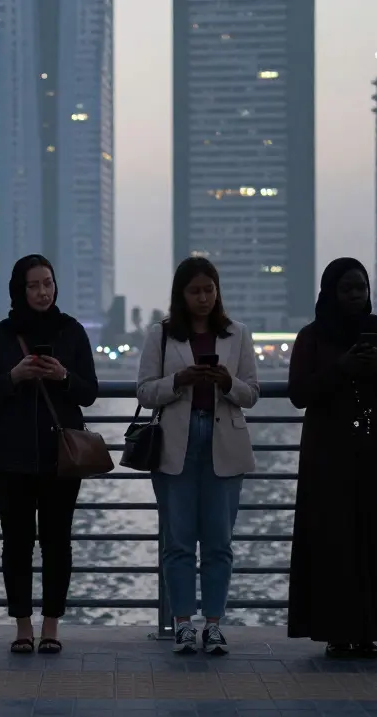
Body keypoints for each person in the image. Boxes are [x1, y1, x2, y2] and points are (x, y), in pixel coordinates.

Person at [286, 257, 377, 659]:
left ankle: (370, 630)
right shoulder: (312, 337)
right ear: (330, 293)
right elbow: (298, 394)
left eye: (360, 288)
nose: (356, 295)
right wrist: (341, 367)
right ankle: (334, 631)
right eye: (347, 289)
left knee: (375, 538)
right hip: (327, 454)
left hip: (376, 454)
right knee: (331, 540)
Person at [0, 254, 100, 654]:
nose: (43, 292)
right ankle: (22, 626)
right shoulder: (0, 335)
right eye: (34, 285)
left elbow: (90, 392)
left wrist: (63, 376)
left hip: (61, 455)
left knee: (57, 541)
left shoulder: (72, 331)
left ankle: (51, 626)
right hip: (10, 455)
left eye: (48, 283)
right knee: (16, 542)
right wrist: (14, 376)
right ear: (19, 289)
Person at [135, 257, 259, 655]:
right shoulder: (161, 335)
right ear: (181, 295)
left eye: (209, 289)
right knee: (179, 540)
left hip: (224, 440)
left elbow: (253, 394)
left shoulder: (238, 334)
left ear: (217, 291)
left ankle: (215, 624)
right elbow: (144, 391)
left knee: (220, 541)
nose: (203, 298)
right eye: (194, 291)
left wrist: (227, 382)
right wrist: (179, 381)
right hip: (177, 443)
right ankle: (184, 624)